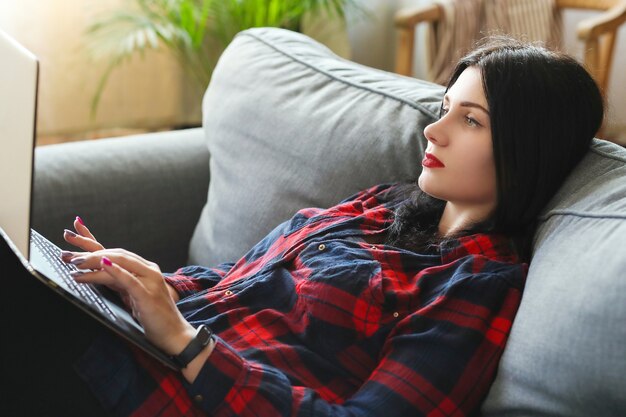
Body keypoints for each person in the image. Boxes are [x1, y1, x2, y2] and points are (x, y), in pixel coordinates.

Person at [5, 36, 604, 417]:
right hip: (138, 353)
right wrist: (147, 283)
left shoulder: (475, 287)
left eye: (470, 120)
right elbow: (239, 284)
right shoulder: (381, 206)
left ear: (527, 147)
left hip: (165, 393)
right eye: (444, 108)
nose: (434, 131)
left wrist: (189, 347)